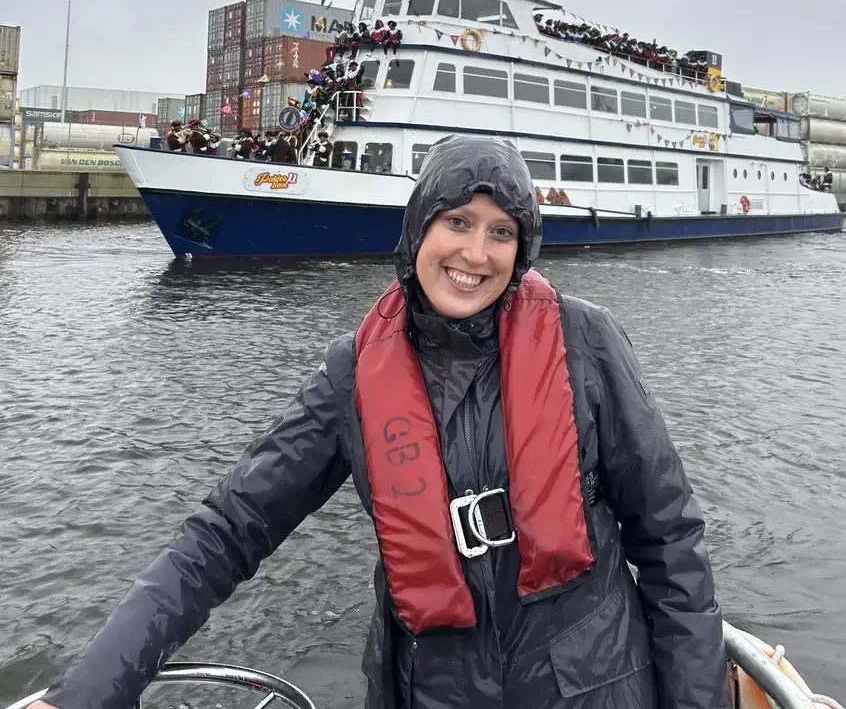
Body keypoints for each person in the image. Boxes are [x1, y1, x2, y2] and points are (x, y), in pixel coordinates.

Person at [36, 136, 726, 709]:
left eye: (501, 233)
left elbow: (671, 543)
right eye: (457, 222)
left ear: (524, 248)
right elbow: (224, 534)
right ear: (419, 226)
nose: (475, 255)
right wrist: (88, 693)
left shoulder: (587, 343)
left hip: (594, 688)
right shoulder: (352, 376)